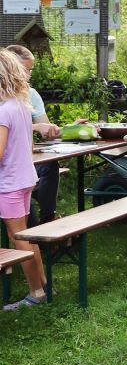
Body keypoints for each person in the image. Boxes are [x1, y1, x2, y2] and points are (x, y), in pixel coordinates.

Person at [0, 48, 48, 310]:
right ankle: (41, 284)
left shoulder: (3, 111)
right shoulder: (20, 105)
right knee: (27, 235)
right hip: (25, 178)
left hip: (9, 183)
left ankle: (35, 293)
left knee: (19, 238)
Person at [8, 44, 61, 224]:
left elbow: (46, 130)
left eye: (30, 70)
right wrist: (35, 128)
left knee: (50, 166)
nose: (28, 76)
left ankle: (48, 220)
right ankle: (35, 237)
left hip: (23, 163)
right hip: (9, 167)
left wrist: (65, 129)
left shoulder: (30, 94)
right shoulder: (4, 98)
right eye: (24, 70)